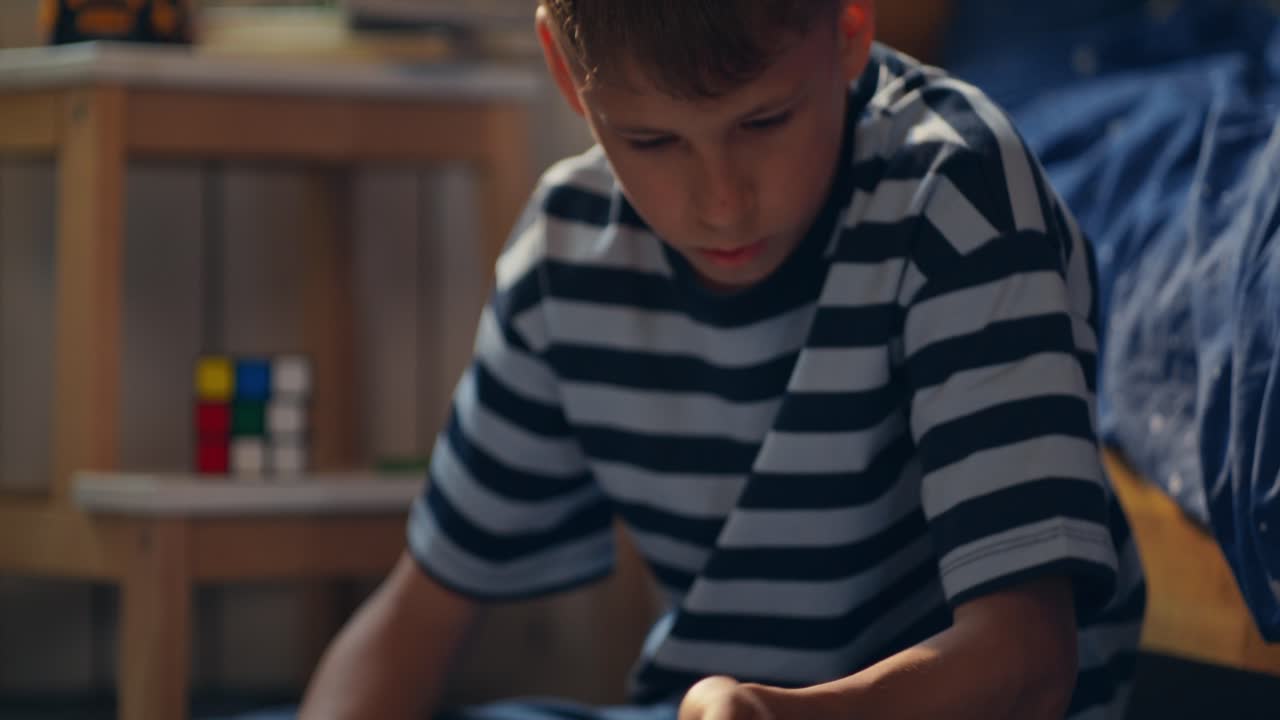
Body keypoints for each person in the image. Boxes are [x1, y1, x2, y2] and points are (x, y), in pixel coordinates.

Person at [298, 2, 1145, 719]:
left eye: (764, 121)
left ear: (847, 27)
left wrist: (780, 716)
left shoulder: (954, 192)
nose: (722, 202)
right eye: (653, 142)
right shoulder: (567, 254)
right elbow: (416, 617)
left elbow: (1030, 658)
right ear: (565, 70)